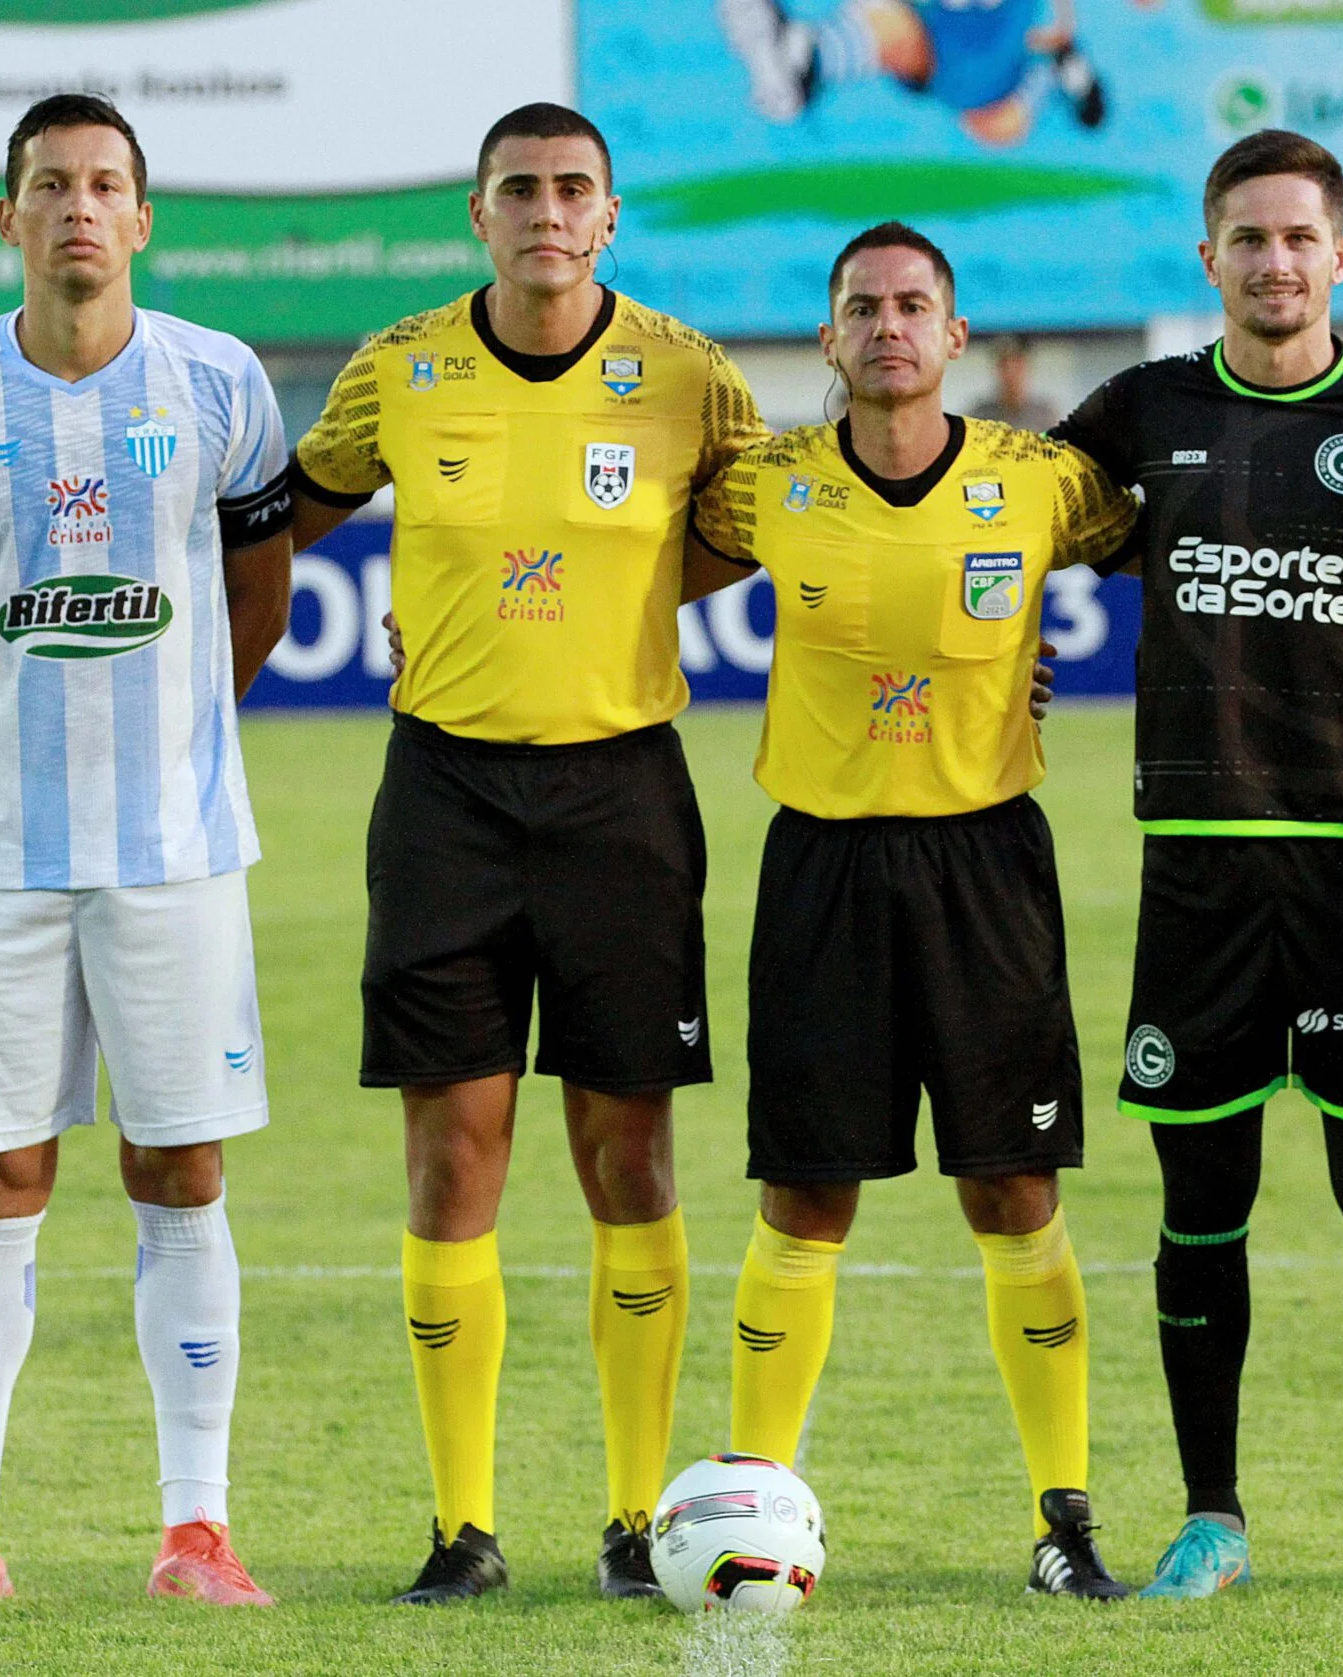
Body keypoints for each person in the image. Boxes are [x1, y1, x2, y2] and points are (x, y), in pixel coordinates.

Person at [288, 100, 770, 1606]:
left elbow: (790, 539)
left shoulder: (691, 377)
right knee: (453, 1153)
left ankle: (634, 1522)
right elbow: (283, 519)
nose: (547, 211)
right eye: (519, 190)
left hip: (623, 793)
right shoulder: (401, 369)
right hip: (443, 797)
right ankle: (463, 1527)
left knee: (627, 1148)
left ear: (608, 217)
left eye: (573, 189)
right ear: (478, 215)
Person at [1049, 128, 1343, 1597]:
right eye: (1246, 238)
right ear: (1211, 258)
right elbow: (989, 525)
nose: (1272, 260)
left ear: (1340, 254)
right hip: (1197, 865)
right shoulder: (1143, 409)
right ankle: (1212, 1515)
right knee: (1203, 1210)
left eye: (1298, 237)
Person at [0, 94, 295, 1609]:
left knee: (181, 1170)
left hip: (175, 852)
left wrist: (175, 736)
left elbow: (263, 580)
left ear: (144, 216)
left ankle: (199, 1531)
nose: (80, 210)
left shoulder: (222, 381)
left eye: (107, 185)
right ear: (11, 216)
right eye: (52, 186)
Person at [693, 222, 1136, 1597]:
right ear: (830, 340)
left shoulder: (1044, 483)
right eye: (862, 308)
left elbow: (1173, 556)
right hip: (823, 863)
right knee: (805, 1193)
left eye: (914, 306)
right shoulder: (763, 485)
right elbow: (631, 568)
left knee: (1014, 1186)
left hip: (987, 862)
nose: (889, 325)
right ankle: (755, 1508)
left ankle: (1065, 1520)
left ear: (954, 337)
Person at [719, 0, 1107, 144]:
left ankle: (807, 62)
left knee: (999, 124)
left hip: (982, 64)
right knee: (892, 26)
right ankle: (805, 62)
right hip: (953, 54)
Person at [972, 334, 1061, 430]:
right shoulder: (980, 418)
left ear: (1026, 366)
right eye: (1004, 365)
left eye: (1016, 365)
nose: (1010, 372)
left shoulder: (1044, 417)